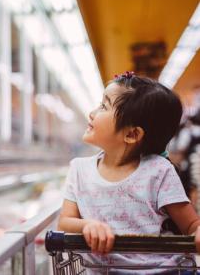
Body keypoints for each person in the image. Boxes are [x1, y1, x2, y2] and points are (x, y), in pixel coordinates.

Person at [58, 72, 200, 274]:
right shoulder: (79, 169)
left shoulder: (158, 171)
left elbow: (191, 224)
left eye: (104, 106)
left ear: (132, 134)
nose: (92, 113)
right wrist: (87, 225)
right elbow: (65, 221)